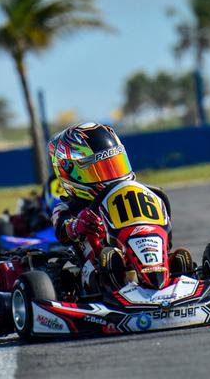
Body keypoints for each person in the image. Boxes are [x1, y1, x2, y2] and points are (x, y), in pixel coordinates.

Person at [48, 122, 180, 294]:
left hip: (137, 253)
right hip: (96, 268)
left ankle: (171, 270)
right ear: (69, 171)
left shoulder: (142, 194)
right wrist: (77, 225)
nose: (112, 175)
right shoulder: (68, 207)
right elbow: (62, 229)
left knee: (180, 258)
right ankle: (117, 284)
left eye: (115, 164)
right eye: (99, 169)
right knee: (109, 260)